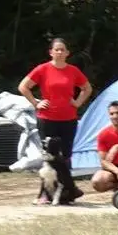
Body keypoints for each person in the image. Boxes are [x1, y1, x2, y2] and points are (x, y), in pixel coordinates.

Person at [18, 37, 92, 204]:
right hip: (47, 119)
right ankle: (46, 193)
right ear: (51, 52)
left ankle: (66, 191)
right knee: (49, 157)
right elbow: (23, 86)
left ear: (67, 53)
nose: (59, 52)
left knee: (65, 156)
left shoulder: (73, 71)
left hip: (68, 119)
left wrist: (78, 102)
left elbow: (87, 88)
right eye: (56, 49)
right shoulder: (42, 69)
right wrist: (36, 102)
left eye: (62, 49)